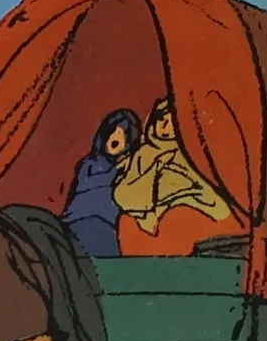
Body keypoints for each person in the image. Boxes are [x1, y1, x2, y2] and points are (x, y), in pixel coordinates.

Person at [111, 96, 233, 245]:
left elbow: (204, 187)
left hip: (189, 207)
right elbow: (123, 192)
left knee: (177, 217)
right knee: (126, 223)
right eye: (162, 119)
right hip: (150, 215)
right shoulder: (143, 154)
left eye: (172, 121)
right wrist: (155, 167)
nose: (165, 125)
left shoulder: (189, 152)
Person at [61, 108, 142, 259]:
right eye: (113, 131)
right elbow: (76, 198)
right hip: (73, 224)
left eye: (124, 134)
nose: (115, 137)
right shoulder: (87, 164)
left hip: (105, 226)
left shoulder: (129, 168)